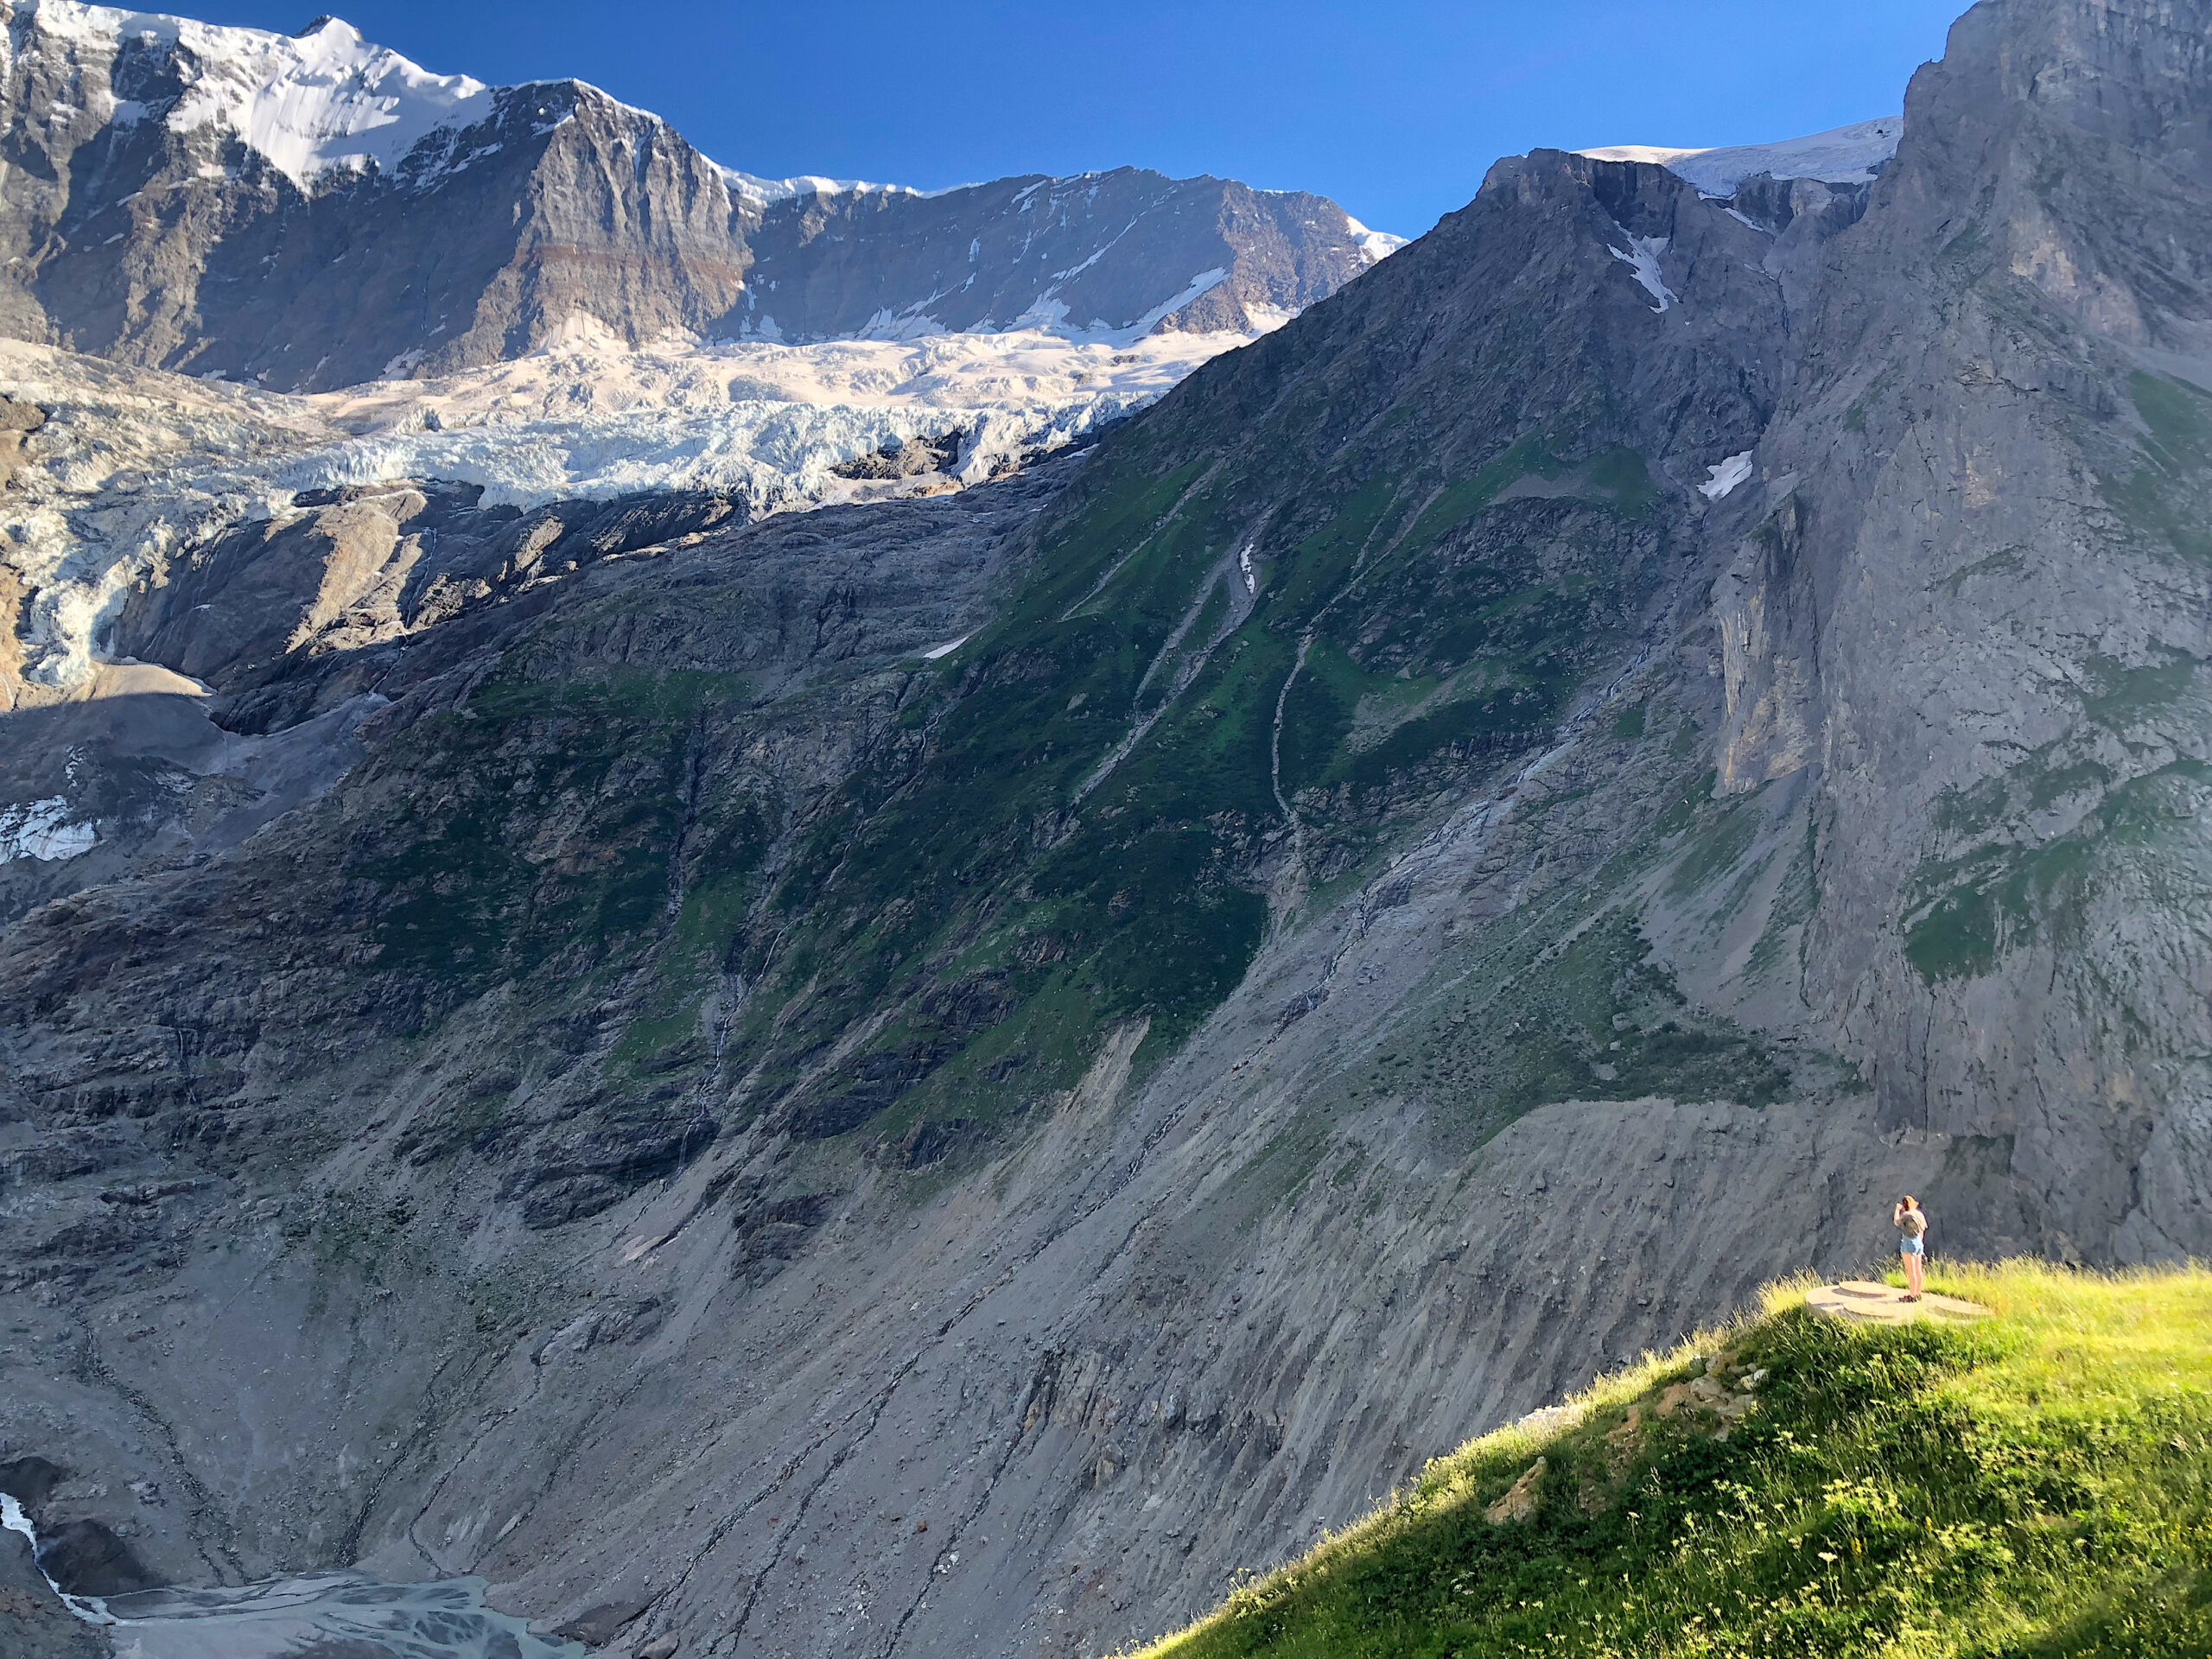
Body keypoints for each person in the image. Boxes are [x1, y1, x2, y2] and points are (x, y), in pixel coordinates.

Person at [1893, 1195, 1929, 1300]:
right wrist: (1920, 1243)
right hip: (1918, 1242)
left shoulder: (1906, 1216)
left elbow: (1896, 1222)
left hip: (1908, 1243)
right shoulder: (1919, 1214)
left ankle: (1912, 1296)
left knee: (1911, 1271)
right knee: (1918, 1270)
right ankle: (1918, 1293)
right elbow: (1923, 1229)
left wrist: (1897, 1210)